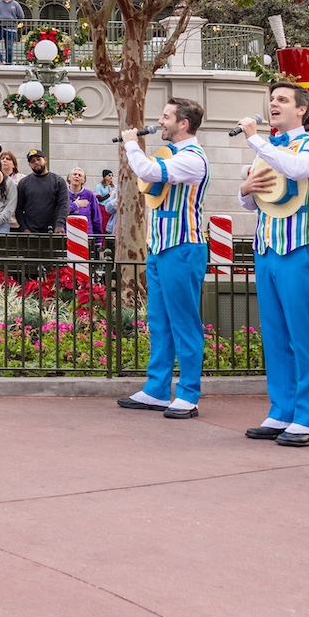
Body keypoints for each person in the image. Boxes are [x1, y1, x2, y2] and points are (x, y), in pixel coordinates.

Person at [237, 83, 309, 448]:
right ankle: (280, 411)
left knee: (303, 335)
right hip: (266, 248)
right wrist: (245, 189)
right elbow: (252, 202)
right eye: (272, 99)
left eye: (282, 100)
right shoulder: (267, 149)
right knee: (275, 335)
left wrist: (256, 141)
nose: (273, 104)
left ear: (302, 110)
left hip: (300, 248)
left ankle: (306, 419)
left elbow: (296, 170)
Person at [116, 98, 210, 419]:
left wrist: (132, 144)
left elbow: (149, 170)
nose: (161, 121)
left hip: (183, 247)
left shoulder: (193, 158)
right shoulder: (174, 154)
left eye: (166, 117)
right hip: (160, 247)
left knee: (185, 323)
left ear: (183, 124)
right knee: (159, 322)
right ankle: (156, 390)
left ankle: (188, 393)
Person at [14, 150, 70, 234]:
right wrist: (24, 228)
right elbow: (18, 208)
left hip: (53, 231)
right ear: (29, 165)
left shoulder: (58, 181)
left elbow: (64, 205)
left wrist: (59, 225)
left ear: (45, 160)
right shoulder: (23, 183)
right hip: (30, 232)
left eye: (38, 159)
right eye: (32, 161)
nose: (36, 162)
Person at [65, 167, 108, 237]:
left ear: (83, 180)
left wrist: (98, 239)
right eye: (74, 174)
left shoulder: (89, 195)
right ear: (69, 178)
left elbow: (96, 218)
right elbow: (59, 212)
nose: (77, 176)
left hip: (86, 235)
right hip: (67, 235)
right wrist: (75, 205)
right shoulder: (62, 193)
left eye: (80, 175)